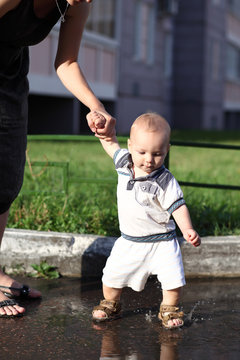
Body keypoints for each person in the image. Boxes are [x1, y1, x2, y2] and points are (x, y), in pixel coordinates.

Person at [0, 0, 115, 317]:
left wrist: (96, 106)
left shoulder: (77, 4)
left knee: (6, 180)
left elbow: (66, 61)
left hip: (9, 78)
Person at [89, 111, 201, 329]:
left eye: (157, 154)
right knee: (112, 275)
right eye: (142, 152)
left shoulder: (165, 180)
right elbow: (111, 144)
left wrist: (187, 229)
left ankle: (169, 309)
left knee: (173, 279)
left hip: (163, 241)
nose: (149, 160)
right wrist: (104, 132)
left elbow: (178, 206)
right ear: (130, 146)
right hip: (130, 241)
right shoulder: (123, 163)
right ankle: (110, 303)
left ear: (167, 150)